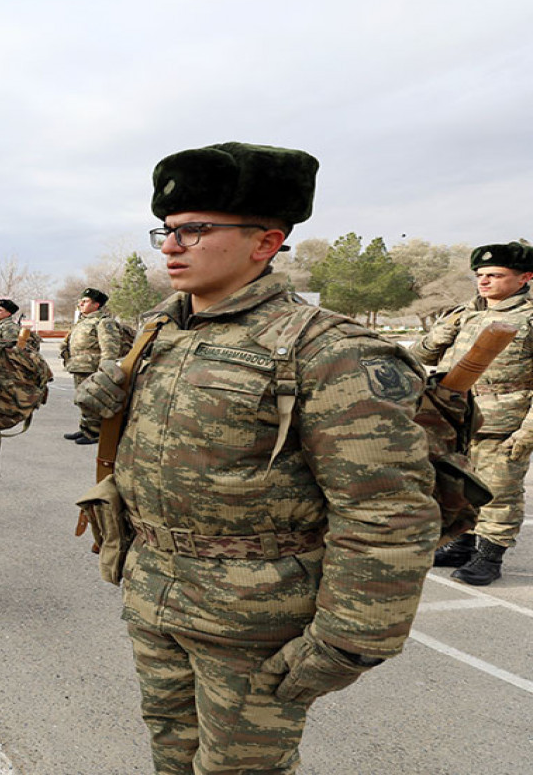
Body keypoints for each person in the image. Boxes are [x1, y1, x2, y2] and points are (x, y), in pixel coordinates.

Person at [76, 141, 440, 774]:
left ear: (266, 243)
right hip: (154, 589)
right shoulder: (160, 332)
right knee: (170, 751)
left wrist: (349, 640)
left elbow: (386, 509)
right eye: (166, 230)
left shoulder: (326, 349)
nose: (170, 246)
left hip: (254, 617)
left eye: (194, 230)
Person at [414, 241, 533, 585]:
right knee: (457, 486)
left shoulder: (528, 318)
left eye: (495, 275)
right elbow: (424, 355)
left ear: (525, 277)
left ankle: (489, 556)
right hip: (456, 417)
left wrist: (527, 433)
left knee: (499, 490)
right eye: (480, 275)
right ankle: (462, 544)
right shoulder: (464, 312)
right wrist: (441, 331)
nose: (484, 281)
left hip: (504, 421)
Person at [62, 287, 122, 445]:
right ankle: (86, 429)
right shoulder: (83, 321)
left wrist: (105, 369)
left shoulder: (103, 322)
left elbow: (110, 347)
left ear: (96, 305)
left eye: (85, 301)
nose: (81, 303)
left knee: (93, 401)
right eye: (80, 301)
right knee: (83, 401)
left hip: (92, 368)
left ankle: (95, 433)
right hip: (79, 366)